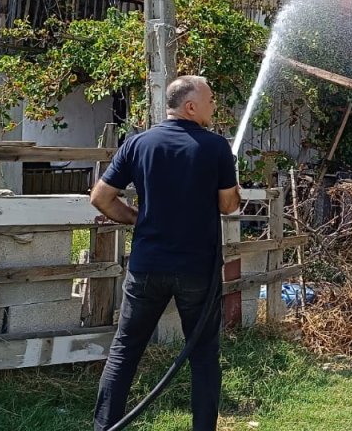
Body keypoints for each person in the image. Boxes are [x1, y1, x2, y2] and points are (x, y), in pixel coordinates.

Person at [90, 75, 241, 431]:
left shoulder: (137, 143)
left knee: (124, 352)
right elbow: (228, 206)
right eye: (210, 99)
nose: (214, 105)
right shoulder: (216, 147)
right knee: (203, 356)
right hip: (196, 272)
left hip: (146, 268)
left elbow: (100, 198)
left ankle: (103, 428)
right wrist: (232, 183)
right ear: (191, 106)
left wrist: (137, 219)